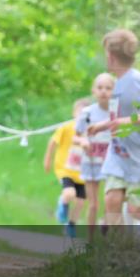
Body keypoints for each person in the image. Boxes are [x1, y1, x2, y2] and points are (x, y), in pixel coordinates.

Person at [90, 29, 140, 228]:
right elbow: (118, 119)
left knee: (135, 209)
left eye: (106, 53)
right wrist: (102, 125)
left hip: (138, 156)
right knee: (111, 200)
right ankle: (120, 250)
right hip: (118, 153)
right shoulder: (118, 83)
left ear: (112, 57)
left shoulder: (135, 80)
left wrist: (129, 122)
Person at [74, 73, 115, 236]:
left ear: (114, 91)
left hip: (112, 162)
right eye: (100, 87)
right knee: (93, 204)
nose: (103, 91)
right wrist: (82, 141)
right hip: (91, 161)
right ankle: (90, 239)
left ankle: (105, 226)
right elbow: (75, 135)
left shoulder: (117, 112)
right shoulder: (87, 112)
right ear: (93, 91)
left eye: (108, 88)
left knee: (110, 201)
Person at [44, 98, 89, 238]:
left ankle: (71, 225)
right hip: (65, 169)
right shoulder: (66, 128)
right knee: (69, 193)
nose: (82, 116)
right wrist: (48, 159)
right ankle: (62, 203)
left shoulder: (91, 131)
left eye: (86, 114)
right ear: (74, 113)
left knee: (80, 202)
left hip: (82, 173)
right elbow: (52, 142)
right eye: (80, 112)